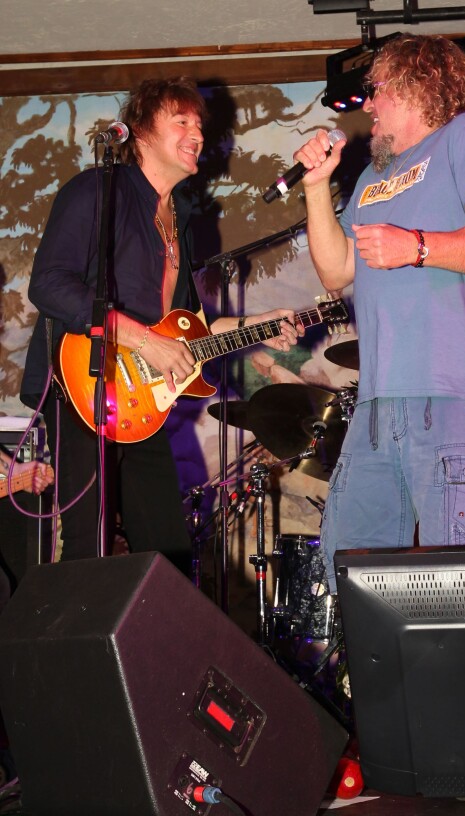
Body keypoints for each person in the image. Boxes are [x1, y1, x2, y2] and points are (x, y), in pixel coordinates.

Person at [20, 76, 303, 573]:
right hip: (82, 387)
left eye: (199, 124)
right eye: (181, 121)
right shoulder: (96, 191)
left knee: (167, 554)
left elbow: (185, 331)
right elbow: (48, 285)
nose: (196, 133)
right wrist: (141, 339)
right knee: (88, 549)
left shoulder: (182, 221)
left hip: (139, 403)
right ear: (140, 132)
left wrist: (258, 323)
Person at [294, 34, 465, 592]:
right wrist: (317, 187)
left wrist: (416, 247)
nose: (367, 105)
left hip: (453, 396)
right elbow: (337, 271)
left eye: (375, 91)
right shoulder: (374, 176)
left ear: (419, 84)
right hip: (377, 407)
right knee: (352, 574)